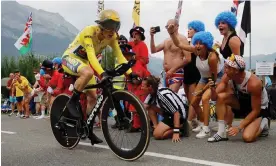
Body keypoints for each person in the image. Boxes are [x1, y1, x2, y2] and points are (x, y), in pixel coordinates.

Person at [60, 9, 138, 145]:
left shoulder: (112, 37)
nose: (112, 30)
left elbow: (119, 56)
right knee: (88, 72)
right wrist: (102, 73)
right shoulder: (89, 32)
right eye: (109, 26)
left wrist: (131, 73)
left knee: (93, 98)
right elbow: (91, 55)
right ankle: (72, 102)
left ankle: (87, 129)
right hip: (69, 58)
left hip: (84, 64)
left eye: (115, 26)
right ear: (101, 26)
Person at [208, 55, 270, 143]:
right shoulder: (227, 76)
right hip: (242, 103)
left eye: (228, 67)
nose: (225, 69)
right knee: (221, 97)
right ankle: (221, 132)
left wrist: (239, 128)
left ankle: (264, 123)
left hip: (258, 109)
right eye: (225, 66)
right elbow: (214, 98)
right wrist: (212, 89)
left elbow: (256, 110)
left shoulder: (254, 83)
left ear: (236, 70)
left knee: (247, 137)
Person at [167, 20, 204, 129]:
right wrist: (172, 33)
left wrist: (173, 69)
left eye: (191, 29)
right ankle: (196, 121)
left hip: (195, 72)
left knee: (194, 101)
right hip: (187, 71)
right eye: (188, 28)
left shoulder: (198, 44)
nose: (188, 30)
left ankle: (190, 122)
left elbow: (189, 58)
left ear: (197, 30)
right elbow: (179, 44)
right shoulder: (189, 43)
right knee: (190, 100)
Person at [142, 75, 188, 143]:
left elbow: (176, 113)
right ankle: (156, 127)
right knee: (150, 107)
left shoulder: (163, 95)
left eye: (143, 86)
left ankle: (181, 129)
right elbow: (143, 107)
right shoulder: (151, 94)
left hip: (179, 115)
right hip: (169, 113)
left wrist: (176, 132)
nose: (141, 88)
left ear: (150, 87)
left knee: (157, 135)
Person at [150, 19, 190, 92]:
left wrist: (173, 69)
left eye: (171, 26)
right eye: (167, 26)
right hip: (166, 73)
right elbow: (153, 50)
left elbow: (188, 58)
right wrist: (152, 36)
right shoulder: (166, 40)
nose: (169, 28)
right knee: (166, 98)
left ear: (177, 26)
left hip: (176, 72)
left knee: (171, 96)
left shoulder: (182, 39)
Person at [120, 43, 151, 132]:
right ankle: (136, 124)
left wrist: (132, 79)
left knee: (137, 107)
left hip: (141, 89)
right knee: (132, 106)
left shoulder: (136, 65)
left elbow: (138, 80)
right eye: (124, 56)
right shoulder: (127, 65)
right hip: (133, 89)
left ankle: (140, 125)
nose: (125, 57)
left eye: (127, 56)